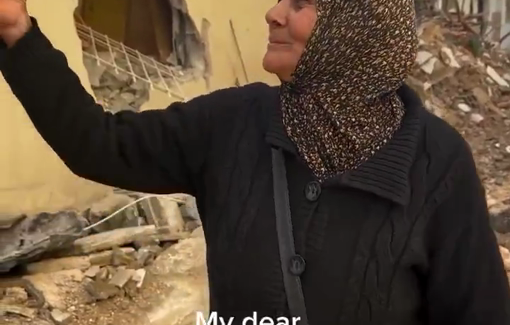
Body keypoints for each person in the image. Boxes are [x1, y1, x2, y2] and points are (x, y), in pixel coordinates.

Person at [1, 0, 509, 324]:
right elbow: (100, 144)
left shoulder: (435, 162)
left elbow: (478, 312)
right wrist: (18, 32)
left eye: (302, 3)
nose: (273, 13)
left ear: (357, 28)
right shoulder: (233, 122)